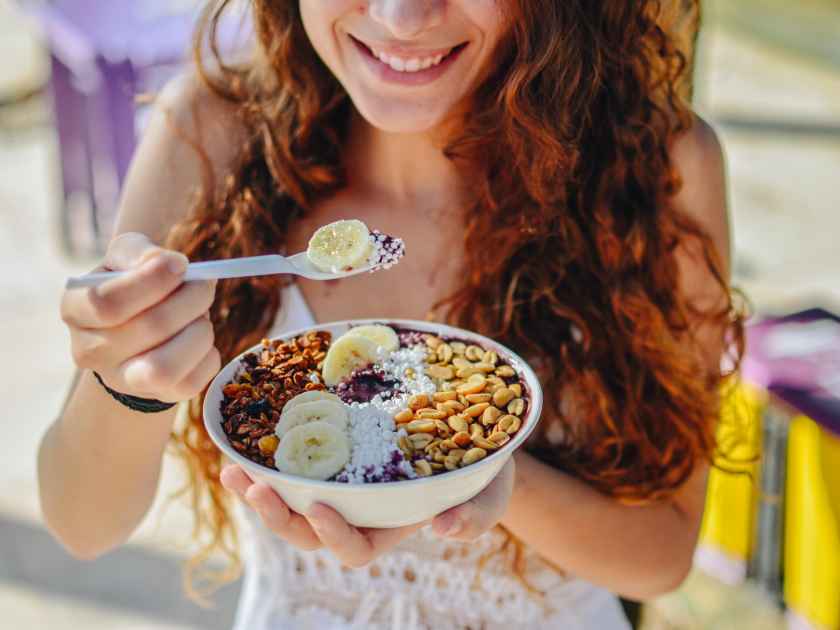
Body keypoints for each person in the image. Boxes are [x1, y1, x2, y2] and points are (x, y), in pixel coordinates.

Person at [39, 1, 745, 628]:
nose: (403, 18)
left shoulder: (658, 168)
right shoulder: (215, 129)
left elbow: (661, 556)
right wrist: (124, 378)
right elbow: (82, 524)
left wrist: (484, 474)